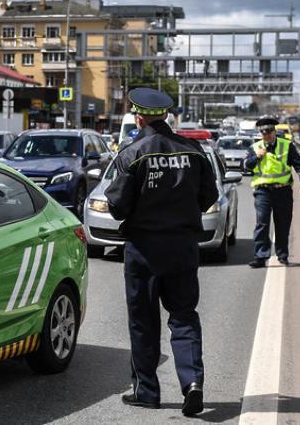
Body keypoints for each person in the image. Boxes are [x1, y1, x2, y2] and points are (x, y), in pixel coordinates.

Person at [104, 88, 218, 416]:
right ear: (167, 116)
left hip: (143, 249)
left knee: (143, 320)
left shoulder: (132, 152)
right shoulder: (194, 150)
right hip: (183, 246)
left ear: (139, 117)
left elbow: (117, 207)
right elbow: (208, 195)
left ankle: (147, 391)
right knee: (183, 315)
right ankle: (192, 383)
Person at [242, 117, 300, 268]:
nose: (266, 135)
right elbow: (245, 166)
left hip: (282, 191)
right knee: (262, 223)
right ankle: (260, 256)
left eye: (269, 132)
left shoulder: (287, 146)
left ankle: (282, 255)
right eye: (263, 133)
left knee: (283, 224)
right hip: (262, 191)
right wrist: (257, 157)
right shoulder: (255, 147)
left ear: (275, 131)